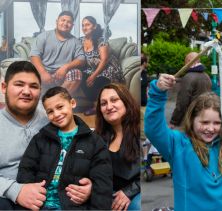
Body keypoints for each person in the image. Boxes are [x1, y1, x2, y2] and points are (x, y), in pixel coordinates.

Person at [145, 74, 222, 211]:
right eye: (204, 122)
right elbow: (153, 129)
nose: (210, 128)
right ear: (192, 120)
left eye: (217, 123)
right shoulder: (177, 144)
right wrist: (158, 94)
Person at [0, 61, 92, 210]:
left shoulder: (54, 119)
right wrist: (15, 191)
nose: (27, 91)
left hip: (52, 198)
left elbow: (84, 149)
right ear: (4, 87)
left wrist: (89, 185)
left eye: (34, 86)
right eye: (19, 84)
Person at [17, 86, 113, 210]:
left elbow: (103, 186)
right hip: (38, 206)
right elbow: (25, 170)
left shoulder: (95, 142)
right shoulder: (40, 138)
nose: (56, 114)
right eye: (50, 111)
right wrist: (30, 195)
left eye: (60, 107)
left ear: (72, 103)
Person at [95, 83, 141, 211]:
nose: (109, 107)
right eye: (103, 104)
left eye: (114, 100)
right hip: (108, 191)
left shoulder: (141, 132)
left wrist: (129, 192)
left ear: (126, 102)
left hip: (135, 191)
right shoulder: (97, 137)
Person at [30, 11, 85, 94]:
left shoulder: (76, 42)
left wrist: (65, 67)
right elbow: (34, 56)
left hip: (61, 76)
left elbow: (82, 59)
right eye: (63, 20)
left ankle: (57, 100)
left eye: (69, 22)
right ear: (57, 22)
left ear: (72, 26)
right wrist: (43, 73)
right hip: (43, 73)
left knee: (76, 73)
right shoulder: (44, 36)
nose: (65, 23)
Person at [80, 16, 123, 116]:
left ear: (94, 26)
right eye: (82, 25)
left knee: (98, 80)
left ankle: (97, 107)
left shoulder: (101, 40)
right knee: (81, 76)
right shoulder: (80, 41)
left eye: (87, 25)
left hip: (107, 67)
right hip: (91, 69)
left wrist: (93, 76)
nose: (84, 27)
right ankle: (95, 104)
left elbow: (104, 61)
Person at [169, 52, 212, 128]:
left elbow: (182, 103)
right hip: (204, 117)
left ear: (189, 61)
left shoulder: (188, 77)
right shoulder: (207, 76)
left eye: (185, 62)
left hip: (190, 120)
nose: (184, 65)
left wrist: (174, 121)